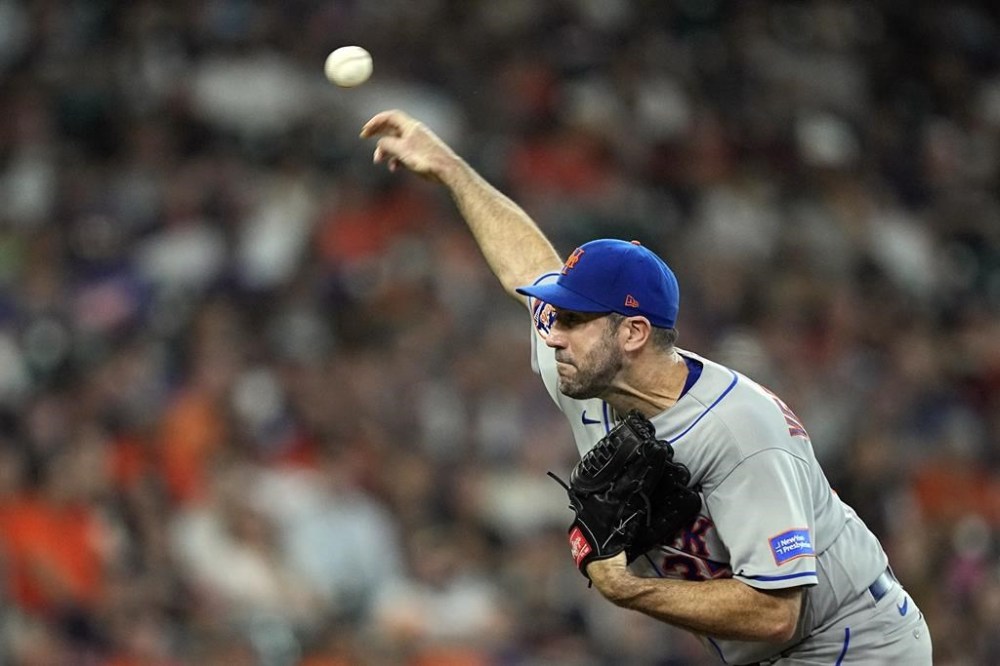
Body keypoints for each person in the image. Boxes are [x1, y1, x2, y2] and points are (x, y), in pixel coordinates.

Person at [360, 109, 933, 665]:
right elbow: (526, 271)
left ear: (633, 332)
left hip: (854, 642)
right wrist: (451, 170)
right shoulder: (585, 366)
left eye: (574, 319)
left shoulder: (740, 432)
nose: (553, 334)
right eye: (557, 316)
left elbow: (777, 612)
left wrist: (625, 588)